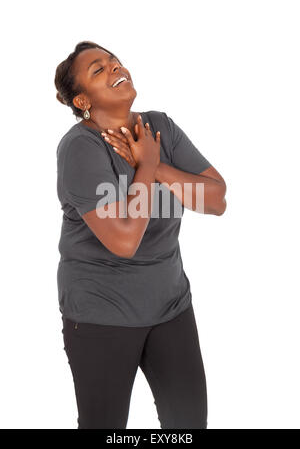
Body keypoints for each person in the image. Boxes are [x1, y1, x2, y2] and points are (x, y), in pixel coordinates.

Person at [54, 40, 227, 429]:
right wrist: (148, 166)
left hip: (170, 307)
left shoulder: (159, 127)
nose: (116, 68)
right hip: (102, 316)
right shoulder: (80, 148)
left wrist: (154, 164)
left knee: (188, 426)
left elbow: (216, 200)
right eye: (99, 70)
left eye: (114, 61)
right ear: (82, 100)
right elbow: (125, 241)